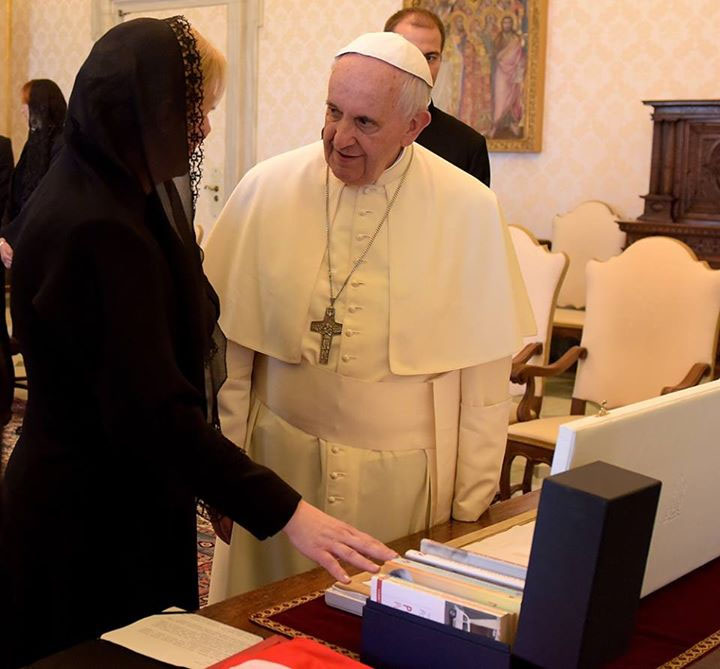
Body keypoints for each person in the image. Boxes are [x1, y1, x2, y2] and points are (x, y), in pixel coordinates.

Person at [0, 18, 393, 668]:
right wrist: (290, 513)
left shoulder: (108, 187)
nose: (205, 128)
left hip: (114, 494)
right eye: (193, 110)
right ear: (142, 109)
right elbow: (152, 411)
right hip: (88, 521)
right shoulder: (98, 226)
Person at [203, 32, 533, 602]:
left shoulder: (469, 208)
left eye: (365, 122)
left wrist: (470, 505)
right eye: (333, 112)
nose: (339, 138)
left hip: (403, 487)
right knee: (259, 620)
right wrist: (227, 479)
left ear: (414, 126)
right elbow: (231, 352)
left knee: (376, 627)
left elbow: (483, 381)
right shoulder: (267, 187)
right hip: (277, 465)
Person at [385, 8, 491, 186]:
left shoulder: (468, 146)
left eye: (430, 57)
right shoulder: (351, 127)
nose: (420, 67)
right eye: (409, 54)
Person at [489, 15, 526, 138]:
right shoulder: (498, 39)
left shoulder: (516, 39)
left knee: (514, 98)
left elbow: (520, 55)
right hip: (500, 72)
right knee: (500, 99)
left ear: (512, 24)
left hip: (513, 72)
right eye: (505, 23)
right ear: (502, 24)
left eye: (509, 22)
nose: (507, 25)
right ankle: (496, 125)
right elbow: (494, 55)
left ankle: (513, 124)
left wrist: (519, 69)